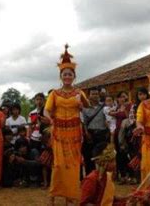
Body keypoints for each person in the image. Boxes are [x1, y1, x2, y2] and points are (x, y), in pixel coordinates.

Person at [43, 44, 90, 205]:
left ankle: (70, 196)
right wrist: (50, 119)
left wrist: (82, 105)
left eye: (70, 74)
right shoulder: (54, 94)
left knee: (73, 164)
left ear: (74, 76)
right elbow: (46, 111)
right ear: (61, 76)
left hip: (75, 133)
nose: (67, 77)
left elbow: (87, 106)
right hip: (59, 133)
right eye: (65, 74)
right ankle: (53, 195)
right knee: (58, 164)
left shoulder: (79, 93)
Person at [82, 87, 109, 176]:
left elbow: (109, 119)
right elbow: (84, 122)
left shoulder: (104, 107)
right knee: (88, 157)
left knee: (103, 157)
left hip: (102, 134)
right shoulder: (85, 108)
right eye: (93, 94)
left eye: (96, 94)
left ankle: (103, 177)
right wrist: (86, 133)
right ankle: (90, 177)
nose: (95, 96)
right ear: (89, 96)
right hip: (90, 134)